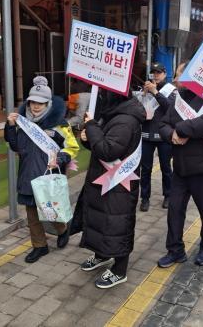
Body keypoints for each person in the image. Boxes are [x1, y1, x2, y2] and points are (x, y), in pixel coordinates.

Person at [74, 89, 146, 288]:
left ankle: (119, 270)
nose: (100, 98)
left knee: (117, 225)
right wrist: (87, 138)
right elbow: (100, 145)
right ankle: (102, 255)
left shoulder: (125, 120)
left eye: (103, 94)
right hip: (104, 179)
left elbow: (108, 150)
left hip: (119, 185)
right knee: (101, 221)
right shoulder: (114, 114)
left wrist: (91, 126)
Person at [157, 62, 203, 268]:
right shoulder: (178, 98)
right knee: (174, 210)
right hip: (180, 168)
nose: (175, 79)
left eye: (179, 75)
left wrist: (180, 130)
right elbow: (163, 124)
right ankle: (175, 250)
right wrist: (171, 134)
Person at [5, 76, 79, 263]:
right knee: (32, 215)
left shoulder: (60, 124)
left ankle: (63, 230)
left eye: (41, 103)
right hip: (28, 175)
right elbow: (16, 146)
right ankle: (40, 246)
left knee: (50, 211)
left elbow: (72, 147)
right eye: (33, 102)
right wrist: (10, 127)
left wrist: (59, 159)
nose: (36, 106)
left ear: (48, 103)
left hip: (49, 176)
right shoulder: (23, 123)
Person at [139, 62, 174, 212]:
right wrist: (143, 95)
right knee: (145, 169)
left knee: (166, 167)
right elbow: (138, 108)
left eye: (159, 72)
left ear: (165, 74)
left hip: (164, 135)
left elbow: (170, 108)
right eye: (154, 72)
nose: (156, 75)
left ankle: (168, 195)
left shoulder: (170, 89)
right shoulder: (145, 88)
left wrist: (155, 92)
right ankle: (145, 198)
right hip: (146, 134)